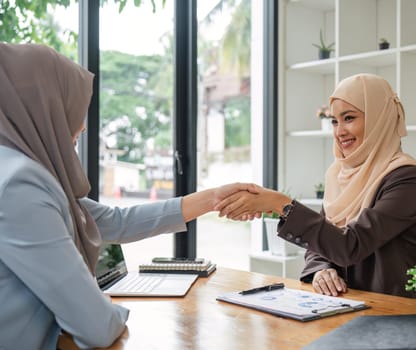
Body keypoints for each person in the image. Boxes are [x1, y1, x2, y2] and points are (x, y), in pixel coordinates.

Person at [0, 43, 255, 349]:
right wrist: (103, 307)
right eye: (73, 128)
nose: (78, 132)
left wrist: (212, 198)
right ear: (44, 109)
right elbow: (96, 326)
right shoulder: (20, 185)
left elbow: (115, 221)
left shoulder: (21, 170)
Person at [216, 73, 416, 299]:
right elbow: (322, 241)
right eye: (334, 121)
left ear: (379, 119)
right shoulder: (340, 176)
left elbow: (350, 245)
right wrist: (320, 269)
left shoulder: (408, 180)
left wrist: (281, 204)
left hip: (392, 316)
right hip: (342, 307)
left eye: (349, 118)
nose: (339, 131)